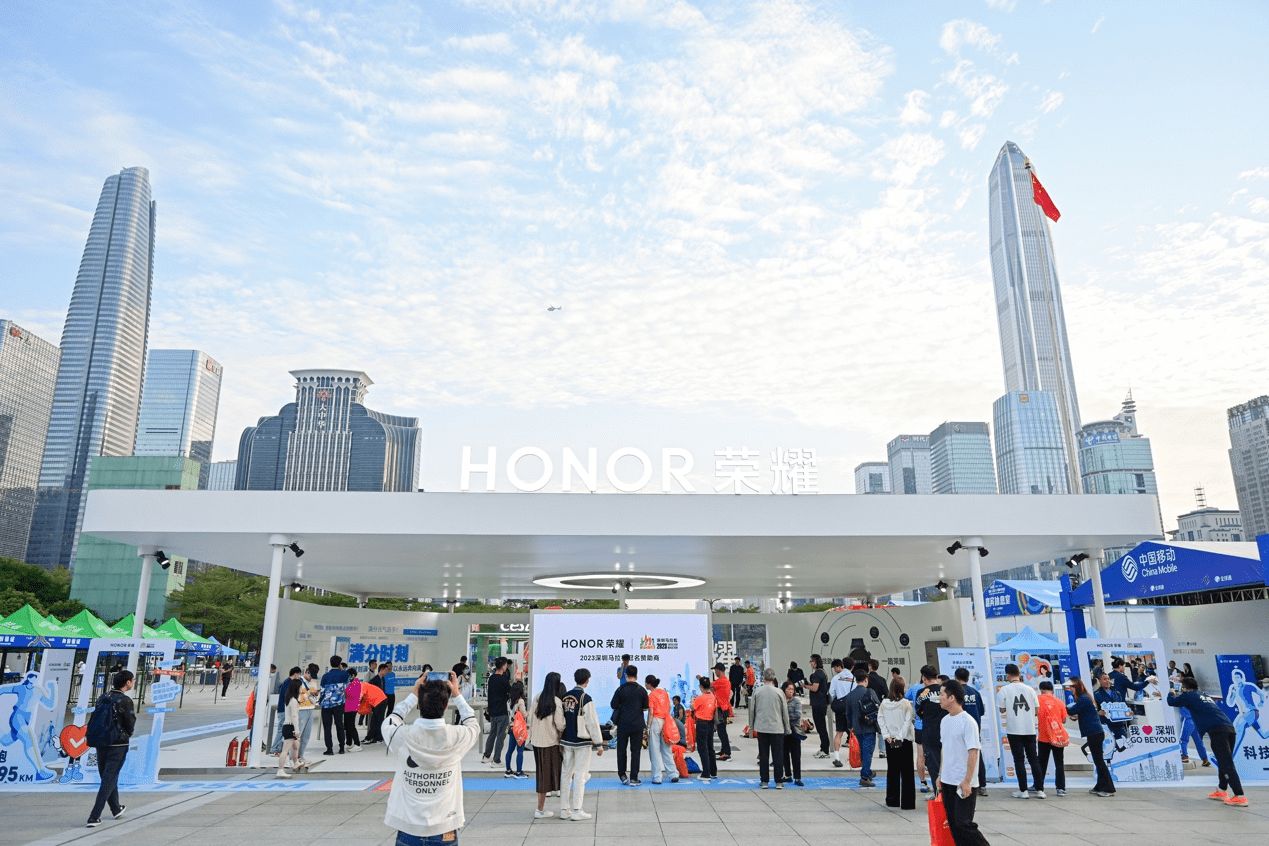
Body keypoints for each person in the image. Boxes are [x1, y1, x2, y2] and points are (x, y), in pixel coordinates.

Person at [383, 671, 480, 843]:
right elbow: (473, 723)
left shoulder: (402, 735)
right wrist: (457, 694)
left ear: (419, 705)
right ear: (446, 705)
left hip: (409, 827)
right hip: (445, 827)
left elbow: (391, 720)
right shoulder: (457, 736)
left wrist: (413, 694)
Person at [1168, 677, 1247, 807]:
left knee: (1226, 763)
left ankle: (1240, 796)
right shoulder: (1204, 695)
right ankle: (1221, 790)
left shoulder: (1188, 695)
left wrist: (1171, 693)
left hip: (1217, 731)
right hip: (1229, 728)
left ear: (1184, 688)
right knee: (1223, 761)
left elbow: (1171, 702)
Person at [937, 679, 990, 846]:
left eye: (942, 694)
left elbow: (973, 752)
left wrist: (967, 780)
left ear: (952, 697)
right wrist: (940, 774)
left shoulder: (968, 722)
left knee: (963, 823)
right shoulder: (945, 721)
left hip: (963, 782)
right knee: (953, 824)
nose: (939, 698)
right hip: (947, 780)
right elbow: (945, 749)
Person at [86, 670, 136, 828]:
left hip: (101, 742)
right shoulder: (125, 700)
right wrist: (127, 734)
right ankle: (94, 816)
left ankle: (116, 808)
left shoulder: (103, 697)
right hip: (117, 744)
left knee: (107, 777)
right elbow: (130, 723)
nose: (133, 682)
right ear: (127, 682)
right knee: (109, 779)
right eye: (132, 680)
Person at [560, 668, 604, 817]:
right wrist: (598, 743)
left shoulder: (565, 697)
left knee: (566, 774)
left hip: (566, 740)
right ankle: (577, 810)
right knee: (580, 774)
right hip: (582, 742)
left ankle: (564, 809)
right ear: (587, 680)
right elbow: (592, 722)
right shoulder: (586, 698)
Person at [0, 671, 58, 782]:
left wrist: (53, 688)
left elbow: (50, 704)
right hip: (18, 717)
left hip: (26, 719)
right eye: (33, 677)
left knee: (5, 741)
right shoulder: (21, 688)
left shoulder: (38, 691)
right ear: (29, 678)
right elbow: (3, 690)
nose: (35, 679)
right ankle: (40, 772)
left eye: (36, 677)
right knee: (28, 739)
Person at [998, 663, 1042, 798]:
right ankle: (1040, 790)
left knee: (1019, 760)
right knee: (1033, 759)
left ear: (1007, 675)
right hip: (1029, 729)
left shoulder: (1004, 690)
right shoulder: (1030, 689)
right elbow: (1037, 709)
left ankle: (1023, 791)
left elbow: (1002, 709)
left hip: (1014, 730)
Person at [1067, 678, 1112, 796]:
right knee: (1098, 761)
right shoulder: (1085, 698)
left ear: (1077, 687)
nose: (1070, 689)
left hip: (1094, 733)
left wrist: (1060, 705)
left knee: (1099, 761)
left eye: (1072, 687)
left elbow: (1071, 711)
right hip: (1095, 732)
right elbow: (1084, 713)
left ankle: (1108, 788)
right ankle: (1100, 786)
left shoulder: (1083, 699)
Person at [530, 672, 566, 818]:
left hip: (537, 742)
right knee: (549, 776)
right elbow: (560, 724)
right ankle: (539, 810)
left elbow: (530, 719)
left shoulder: (537, 697)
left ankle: (540, 808)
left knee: (542, 775)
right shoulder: (556, 701)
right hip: (551, 743)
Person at [749, 667, 790, 789]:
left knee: (763, 755)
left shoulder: (757, 691)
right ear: (774, 678)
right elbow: (785, 712)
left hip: (762, 727)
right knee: (778, 755)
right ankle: (778, 781)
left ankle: (764, 781)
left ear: (763, 677)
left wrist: (751, 727)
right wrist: (787, 728)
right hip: (777, 728)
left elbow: (752, 711)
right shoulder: (779, 692)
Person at [878, 676, 915, 810]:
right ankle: (907, 802)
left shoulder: (884, 703)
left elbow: (880, 719)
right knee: (907, 772)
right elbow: (907, 722)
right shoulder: (906, 704)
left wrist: (887, 735)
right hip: (904, 741)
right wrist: (900, 737)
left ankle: (892, 800)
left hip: (890, 740)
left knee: (892, 770)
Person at [610, 664, 648, 784]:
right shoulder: (642, 690)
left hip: (623, 724)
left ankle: (622, 775)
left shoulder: (620, 689)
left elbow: (613, 705)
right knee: (635, 751)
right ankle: (634, 777)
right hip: (637, 725)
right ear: (636, 675)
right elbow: (646, 707)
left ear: (626, 675)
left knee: (621, 750)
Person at [954, 667, 988, 796]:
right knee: (977, 756)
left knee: (961, 757)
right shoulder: (975, 692)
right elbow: (982, 711)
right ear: (968, 678)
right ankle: (982, 785)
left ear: (956, 678)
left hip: (959, 729)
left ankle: (962, 783)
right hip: (975, 729)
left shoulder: (956, 693)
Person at [845, 665, 880, 787]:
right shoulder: (870, 692)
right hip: (869, 727)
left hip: (857, 728)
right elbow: (878, 707)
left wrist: (850, 726)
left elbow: (848, 713)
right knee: (867, 752)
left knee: (863, 751)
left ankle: (867, 771)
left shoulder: (850, 695)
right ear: (866, 679)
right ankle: (864, 777)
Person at [915, 665, 945, 796]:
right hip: (947, 730)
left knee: (933, 763)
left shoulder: (922, 693)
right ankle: (949, 793)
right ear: (937, 677)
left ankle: (938, 793)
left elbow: (918, 711)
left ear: (924, 678)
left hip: (930, 731)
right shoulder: (945, 690)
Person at [1225, 667, 1268, 756]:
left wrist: (1261, 702)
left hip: (1252, 712)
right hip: (1244, 715)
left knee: (1238, 729)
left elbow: (1261, 693)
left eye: (1237, 677)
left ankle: (1229, 755)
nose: (1236, 679)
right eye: (1234, 678)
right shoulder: (1233, 688)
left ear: (1241, 678)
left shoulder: (1248, 686)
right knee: (1263, 735)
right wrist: (1232, 694)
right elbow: (1230, 703)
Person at [1035, 680, 1068, 796]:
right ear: (1052, 690)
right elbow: (1064, 720)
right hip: (1058, 736)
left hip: (1044, 736)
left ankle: (1038, 786)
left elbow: (1034, 713)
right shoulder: (1059, 702)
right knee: (1059, 763)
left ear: (1041, 690)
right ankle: (1061, 788)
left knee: (1041, 763)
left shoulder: (1038, 699)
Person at [645, 674, 677, 784]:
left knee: (654, 750)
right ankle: (673, 774)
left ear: (649, 684)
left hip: (655, 721)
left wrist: (648, 727)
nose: (645, 685)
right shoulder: (664, 692)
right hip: (665, 720)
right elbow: (669, 707)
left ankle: (657, 777)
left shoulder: (651, 695)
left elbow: (651, 712)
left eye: (646, 683)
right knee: (667, 749)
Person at [481, 657, 511, 766]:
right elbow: (510, 692)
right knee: (500, 737)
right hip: (502, 711)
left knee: (492, 734)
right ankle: (496, 760)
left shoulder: (492, 678)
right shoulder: (504, 679)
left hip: (493, 711)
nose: (506, 666)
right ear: (503, 666)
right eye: (506, 665)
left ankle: (486, 756)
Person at [689, 676, 719, 781]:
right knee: (710, 747)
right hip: (710, 723)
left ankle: (706, 773)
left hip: (701, 723)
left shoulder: (700, 698)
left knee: (702, 748)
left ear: (701, 686)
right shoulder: (713, 696)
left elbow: (692, 707)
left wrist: (692, 701)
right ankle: (713, 772)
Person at [319, 655, 350, 755]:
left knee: (327, 727)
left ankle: (329, 749)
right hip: (339, 704)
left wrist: (320, 701)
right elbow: (347, 689)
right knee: (339, 725)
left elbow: (322, 691)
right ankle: (341, 748)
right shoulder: (345, 675)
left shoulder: (325, 676)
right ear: (340, 664)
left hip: (326, 705)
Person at [828, 658, 855, 768]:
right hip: (851, 709)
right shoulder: (853, 678)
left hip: (840, 708)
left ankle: (837, 758)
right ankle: (854, 757)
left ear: (842, 665)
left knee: (839, 733)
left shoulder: (836, 678)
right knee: (853, 733)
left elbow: (831, 693)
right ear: (852, 666)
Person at [269, 666, 302, 755]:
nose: (299, 677)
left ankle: (279, 749)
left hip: (283, 709)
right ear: (295, 674)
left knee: (282, 730)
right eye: (299, 675)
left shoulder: (286, 682)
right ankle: (274, 749)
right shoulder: (289, 683)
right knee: (281, 730)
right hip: (284, 710)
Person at [1094, 672, 1130, 749]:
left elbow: (1123, 706)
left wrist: (1128, 712)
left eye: (1108, 679)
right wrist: (1098, 713)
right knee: (1111, 748)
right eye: (1104, 679)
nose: (1107, 681)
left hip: (1119, 725)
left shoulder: (1117, 693)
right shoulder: (1096, 694)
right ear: (1099, 681)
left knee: (1124, 747)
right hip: (1106, 725)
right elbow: (1093, 711)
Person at [277, 676, 303, 778]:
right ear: (297, 688)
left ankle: (296, 762)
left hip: (288, 726)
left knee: (296, 745)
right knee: (285, 750)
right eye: (300, 687)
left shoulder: (290, 699)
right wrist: (297, 730)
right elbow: (294, 716)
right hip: (290, 727)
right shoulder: (293, 701)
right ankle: (280, 770)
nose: (301, 689)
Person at [807, 654, 831, 758]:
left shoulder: (817, 673)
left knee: (821, 728)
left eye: (811, 661)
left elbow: (815, 688)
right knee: (821, 727)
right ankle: (823, 748)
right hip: (822, 703)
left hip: (818, 704)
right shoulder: (823, 672)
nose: (810, 663)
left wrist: (805, 686)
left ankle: (825, 750)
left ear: (815, 662)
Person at [781, 681, 805, 786]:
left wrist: (785, 718)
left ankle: (797, 777)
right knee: (784, 754)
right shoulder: (781, 700)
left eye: (792, 689)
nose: (791, 691)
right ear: (784, 690)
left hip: (794, 730)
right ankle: (787, 775)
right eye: (789, 689)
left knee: (796, 755)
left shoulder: (796, 701)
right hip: (783, 731)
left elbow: (797, 715)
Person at [504, 680, 528, 778]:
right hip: (519, 729)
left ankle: (508, 770)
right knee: (520, 751)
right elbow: (524, 714)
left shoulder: (509, 701)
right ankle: (518, 772)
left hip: (511, 727)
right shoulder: (520, 701)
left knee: (510, 750)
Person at [711, 663, 734, 761]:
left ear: (718, 670)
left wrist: (700, 678)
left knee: (722, 732)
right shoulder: (724, 681)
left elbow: (709, 685)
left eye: (715, 670)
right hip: (723, 708)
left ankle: (727, 753)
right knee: (722, 731)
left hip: (721, 709)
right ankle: (723, 750)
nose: (715, 672)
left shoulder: (722, 681)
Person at [297, 663, 319, 763]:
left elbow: (314, 695)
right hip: (301, 709)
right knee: (298, 734)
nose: (311, 678)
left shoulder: (313, 682)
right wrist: (309, 693)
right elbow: (296, 696)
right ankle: (293, 757)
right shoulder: (298, 681)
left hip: (310, 708)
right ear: (306, 672)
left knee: (306, 735)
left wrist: (316, 694)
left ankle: (300, 756)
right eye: (311, 675)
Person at [365, 661, 391, 745]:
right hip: (376, 703)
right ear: (382, 670)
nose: (387, 672)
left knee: (379, 720)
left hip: (382, 702)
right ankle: (373, 737)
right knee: (375, 720)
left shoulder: (382, 679)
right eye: (386, 670)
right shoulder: (374, 680)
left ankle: (376, 737)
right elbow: (369, 691)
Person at [343, 668, 363, 751]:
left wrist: (344, 690)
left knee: (351, 726)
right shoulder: (350, 683)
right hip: (347, 707)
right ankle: (349, 742)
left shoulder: (356, 683)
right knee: (347, 726)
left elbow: (349, 694)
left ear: (353, 675)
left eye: (348, 676)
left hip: (352, 707)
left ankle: (357, 744)